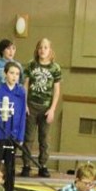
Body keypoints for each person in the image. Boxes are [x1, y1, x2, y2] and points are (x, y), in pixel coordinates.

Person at [23, 38, 61, 178]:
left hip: (45, 107)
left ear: (50, 50)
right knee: (29, 137)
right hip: (31, 106)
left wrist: (52, 109)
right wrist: (25, 104)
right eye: (40, 47)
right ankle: (26, 164)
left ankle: (42, 165)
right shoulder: (31, 65)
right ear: (37, 50)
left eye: (45, 47)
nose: (42, 50)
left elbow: (56, 90)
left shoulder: (55, 68)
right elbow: (25, 85)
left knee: (44, 139)